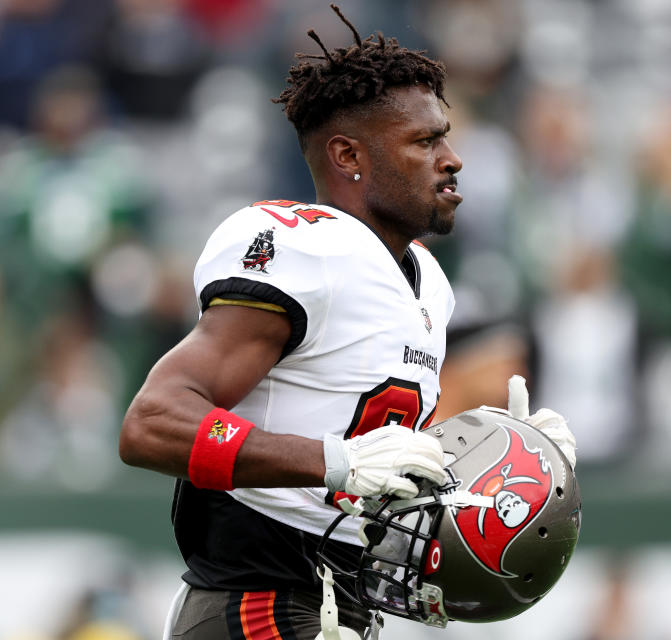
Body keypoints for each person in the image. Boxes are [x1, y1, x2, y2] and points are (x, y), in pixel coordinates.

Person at [119, 6, 575, 639]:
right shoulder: (308, 251)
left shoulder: (427, 282)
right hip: (259, 600)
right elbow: (152, 423)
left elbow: (367, 437)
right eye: (425, 141)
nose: (452, 159)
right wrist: (329, 462)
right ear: (348, 156)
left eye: (445, 136)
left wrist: (507, 450)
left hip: (335, 603)